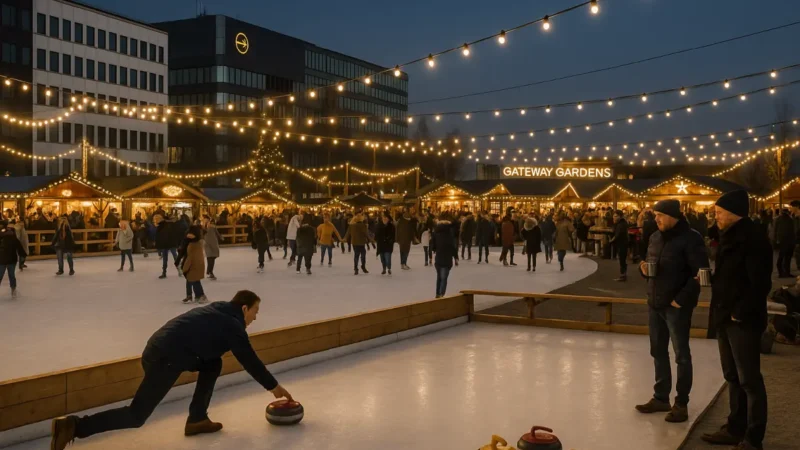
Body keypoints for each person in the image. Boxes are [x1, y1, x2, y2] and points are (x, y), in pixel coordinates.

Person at [50, 290, 293, 450]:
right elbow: (248, 359)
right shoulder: (232, 325)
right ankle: (74, 426)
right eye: (255, 311)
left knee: (213, 363)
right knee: (136, 416)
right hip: (166, 357)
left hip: (163, 349)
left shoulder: (220, 310)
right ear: (243, 308)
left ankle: (197, 419)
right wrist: (274, 387)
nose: (255, 317)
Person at [701, 190, 771, 450]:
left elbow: (759, 283)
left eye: (719, 213)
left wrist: (738, 312)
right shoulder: (728, 236)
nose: (715, 217)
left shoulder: (753, 240)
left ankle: (753, 438)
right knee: (732, 376)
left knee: (749, 380)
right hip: (725, 315)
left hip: (742, 320)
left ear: (733, 213)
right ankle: (734, 427)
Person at [635, 199, 709, 424]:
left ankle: (681, 403)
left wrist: (681, 300)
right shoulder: (655, 237)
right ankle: (661, 397)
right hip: (655, 303)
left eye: (660, 215)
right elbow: (650, 264)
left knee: (681, 356)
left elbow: (702, 273)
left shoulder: (691, 238)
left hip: (676, 307)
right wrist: (644, 269)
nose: (655, 219)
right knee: (657, 351)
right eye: (655, 215)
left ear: (673, 216)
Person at [431, 217, 458, 298]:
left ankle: (437, 293)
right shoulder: (449, 235)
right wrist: (456, 257)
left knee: (439, 277)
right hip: (446, 259)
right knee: (444, 278)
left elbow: (433, 246)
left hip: (438, 259)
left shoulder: (436, 233)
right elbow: (452, 247)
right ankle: (441, 294)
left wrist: (435, 249)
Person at [181, 226, 207, 304]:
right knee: (191, 280)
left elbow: (191, 257)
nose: (188, 235)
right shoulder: (190, 242)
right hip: (194, 264)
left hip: (194, 265)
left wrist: (185, 267)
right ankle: (191, 295)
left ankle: (200, 295)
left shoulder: (195, 244)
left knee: (194, 280)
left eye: (190, 234)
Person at [0, 220, 26, 298]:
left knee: (9, 275)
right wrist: (23, 254)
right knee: (8, 275)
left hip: (7, 259)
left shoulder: (11, 235)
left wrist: (22, 254)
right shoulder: (11, 234)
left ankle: (13, 289)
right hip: (5, 259)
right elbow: (19, 246)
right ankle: (13, 289)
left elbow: (18, 245)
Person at [154, 215, 180, 279]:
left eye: (156, 219)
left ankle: (179, 270)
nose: (155, 221)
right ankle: (164, 272)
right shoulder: (160, 226)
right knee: (167, 258)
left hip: (170, 243)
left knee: (174, 256)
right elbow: (158, 237)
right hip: (166, 244)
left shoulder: (167, 224)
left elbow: (173, 233)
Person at [773, 208, 795, 278]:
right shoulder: (790, 219)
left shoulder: (778, 219)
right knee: (787, 258)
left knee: (782, 257)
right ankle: (786, 272)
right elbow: (792, 231)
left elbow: (775, 230)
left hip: (782, 241)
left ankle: (782, 273)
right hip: (788, 241)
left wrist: (776, 240)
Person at [611, 210, 630, 282]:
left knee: (622, 260)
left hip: (622, 244)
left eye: (616, 216)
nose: (614, 217)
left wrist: (612, 240)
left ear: (620, 216)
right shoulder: (621, 223)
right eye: (614, 216)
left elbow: (618, 234)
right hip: (622, 243)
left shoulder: (621, 224)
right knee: (622, 260)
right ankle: (623, 274)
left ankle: (623, 275)